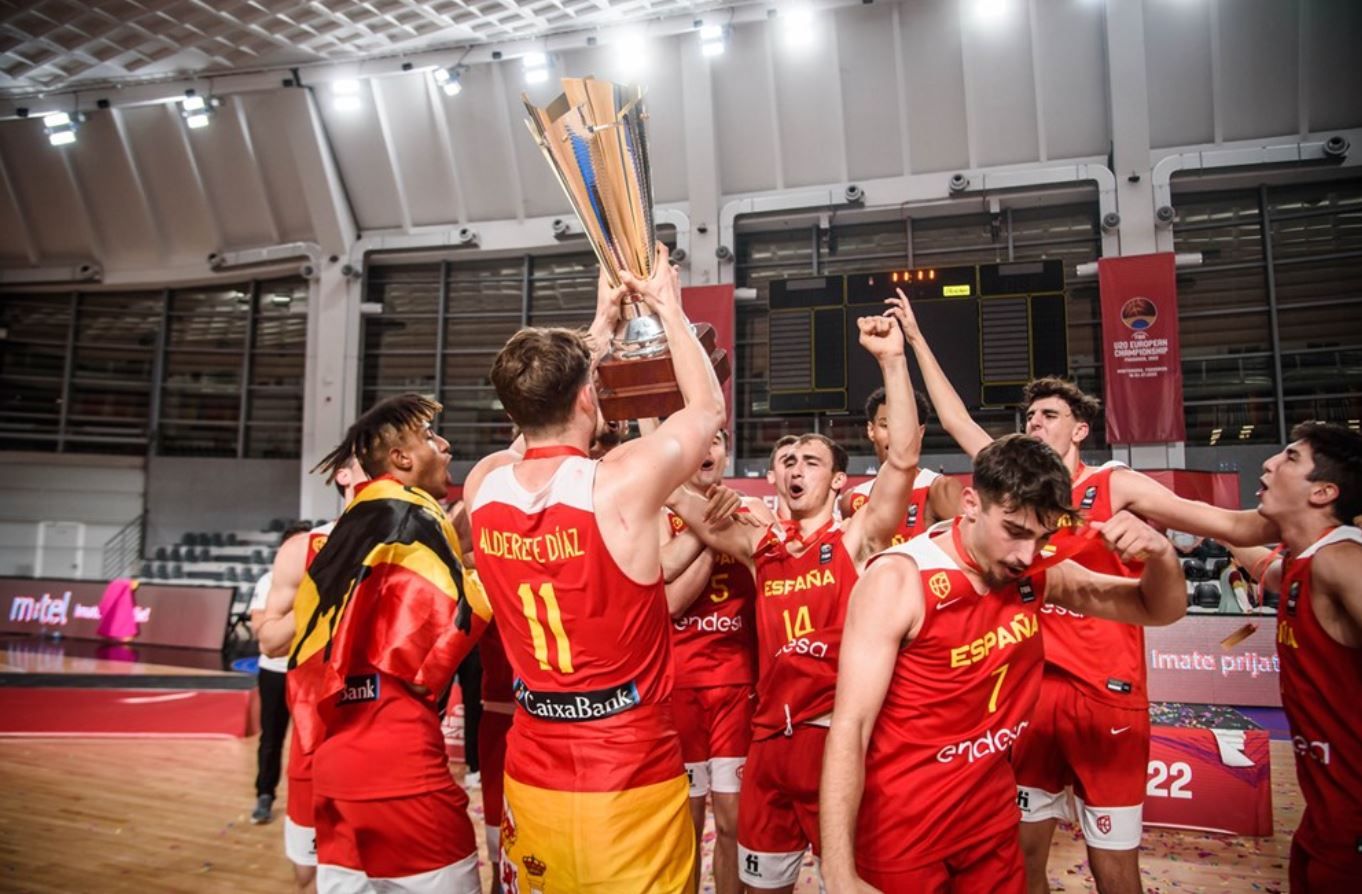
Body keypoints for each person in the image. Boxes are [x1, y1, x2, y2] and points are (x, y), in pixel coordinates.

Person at [894, 290, 1276, 893]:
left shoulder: (1114, 483)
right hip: (1030, 691)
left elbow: (1228, 525)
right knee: (1023, 857)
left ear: (1080, 427)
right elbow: (955, 421)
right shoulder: (1019, 484)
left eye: (1048, 416)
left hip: (1106, 693)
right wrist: (915, 340)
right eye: (1030, 417)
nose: (1035, 424)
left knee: (1113, 864)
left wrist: (1294, 522)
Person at [464, 243, 727, 893]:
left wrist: (593, 339)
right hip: (628, 764)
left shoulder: (485, 486)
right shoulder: (620, 484)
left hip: (533, 760)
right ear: (588, 398)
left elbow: (532, 423)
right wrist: (669, 306)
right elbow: (707, 412)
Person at [819, 434, 1187, 893]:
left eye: (1042, 537)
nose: (1026, 555)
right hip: (902, 822)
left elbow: (1156, 609)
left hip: (989, 815)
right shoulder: (899, 579)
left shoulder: (1035, 571)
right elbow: (849, 728)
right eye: (1014, 532)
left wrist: (1162, 556)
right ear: (971, 503)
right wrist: (836, 873)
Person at [668, 311, 918, 893]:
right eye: (787, 461)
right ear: (774, 478)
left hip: (838, 739)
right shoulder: (760, 543)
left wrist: (892, 361)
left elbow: (902, 459)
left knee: (848, 883)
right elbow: (675, 492)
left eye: (811, 461)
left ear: (837, 482)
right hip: (768, 742)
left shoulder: (857, 536)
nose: (795, 468)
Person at [289, 394, 492, 894]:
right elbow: (442, 642)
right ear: (401, 459)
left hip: (333, 761)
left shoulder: (351, 526)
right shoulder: (412, 517)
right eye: (429, 438)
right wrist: (501, 567)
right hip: (398, 761)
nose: (444, 446)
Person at [1249, 421, 1362, 893]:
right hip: (1325, 816)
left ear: (1324, 492)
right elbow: (1255, 559)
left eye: (1291, 458)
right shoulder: (1302, 563)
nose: (1270, 463)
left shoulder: (1344, 562)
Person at [660, 429, 770, 894]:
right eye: (700, 441)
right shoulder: (660, 516)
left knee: (733, 826)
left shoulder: (757, 512)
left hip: (737, 688)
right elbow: (670, 604)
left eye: (718, 441)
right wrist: (712, 534)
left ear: (727, 452)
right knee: (684, 826)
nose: (707, 450)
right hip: (679, 688)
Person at [257, 460, 367, 894]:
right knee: (309, 874)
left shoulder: (418, 539)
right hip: (315, 740)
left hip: (385, 740)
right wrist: (319, 598)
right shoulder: (303, 548)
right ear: (343, 474)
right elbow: (269, 641)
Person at [248, 521, 313, 826]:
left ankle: (311, 803)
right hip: (275, 672)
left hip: (309, 671)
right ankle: (265, 794)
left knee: (312, 739)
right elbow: (261, 629)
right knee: (271, 737)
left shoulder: (324, 576)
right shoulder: (268, 581)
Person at [840, 386, 962, 541]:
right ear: (871, 430)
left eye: (903, 426)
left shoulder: (940, 489)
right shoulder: (852, 500)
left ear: (920, 432)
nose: (895, 435)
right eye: (885, 425)